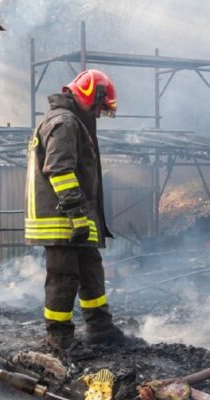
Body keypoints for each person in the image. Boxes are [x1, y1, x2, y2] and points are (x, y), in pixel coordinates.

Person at [24, 69, 132, 358]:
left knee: (91, 271)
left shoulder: (74, 122)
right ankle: (58, 338)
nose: (98, 113)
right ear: (88, 95)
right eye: (98, 106)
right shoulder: (64, 122)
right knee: (63, 277)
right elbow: (59, 170)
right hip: (62, 219)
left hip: (75, 217)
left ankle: (100, 328)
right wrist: (75, 213)